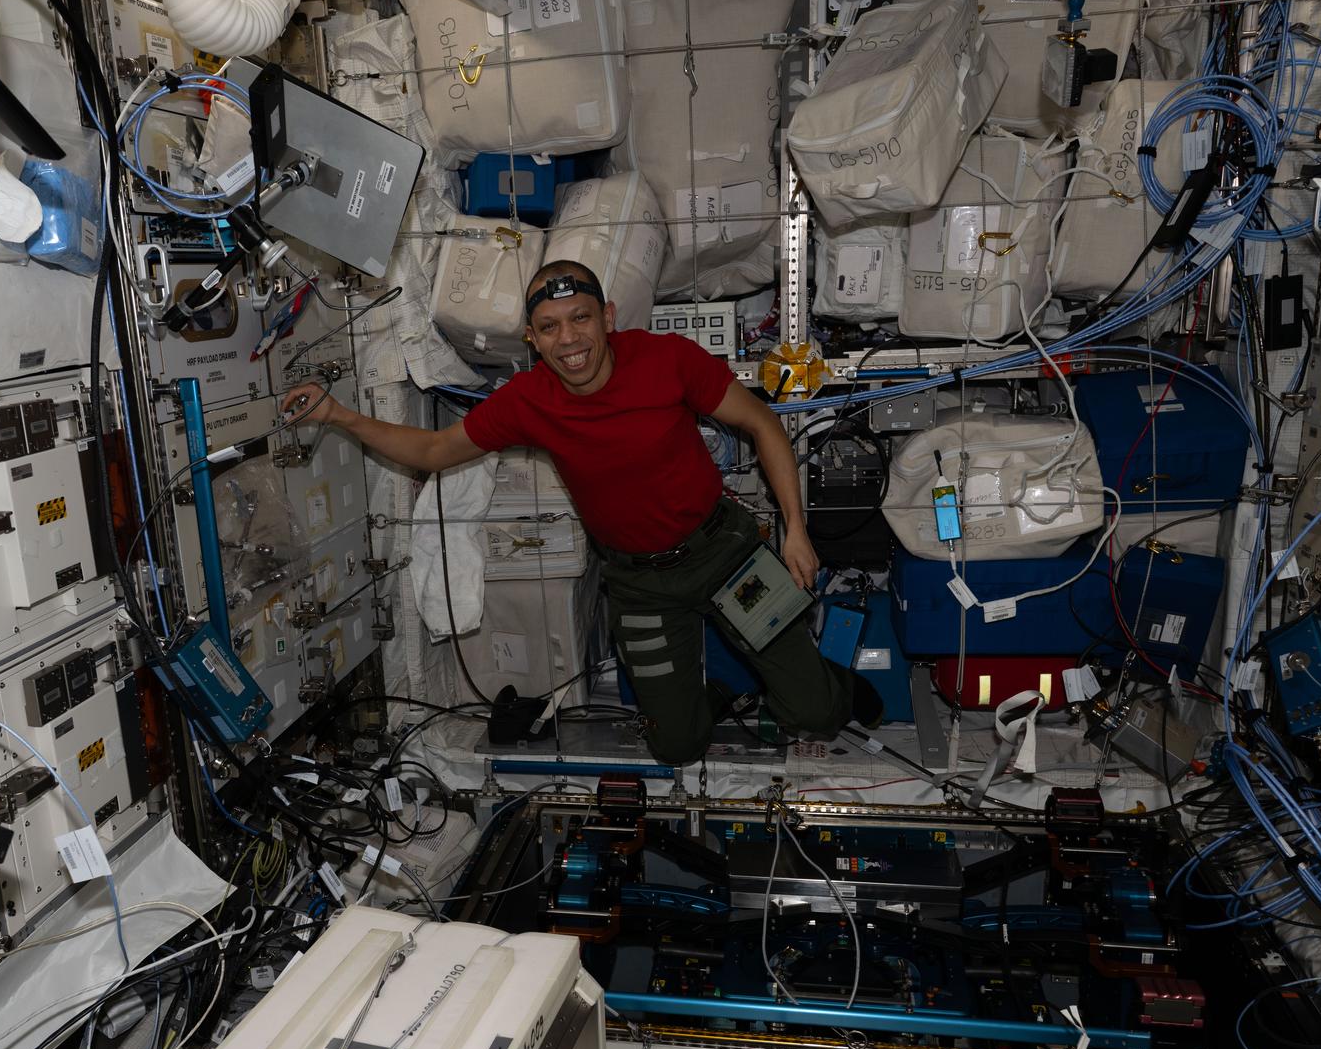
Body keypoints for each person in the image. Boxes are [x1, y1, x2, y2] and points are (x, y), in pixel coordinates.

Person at [279, 259, 881, 764]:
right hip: (640, 584)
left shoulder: (667, 360)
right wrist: (337, 415)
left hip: (723, 551)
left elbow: (760, 422)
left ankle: (822, 687)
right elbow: (435, 450)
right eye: (549, 328)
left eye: (580, 319)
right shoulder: (527, 401)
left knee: (816, 714)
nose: (569, 339)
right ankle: (725, 688)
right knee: (677, 746)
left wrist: (795, 532)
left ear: (608, 318)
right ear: (533, 340)